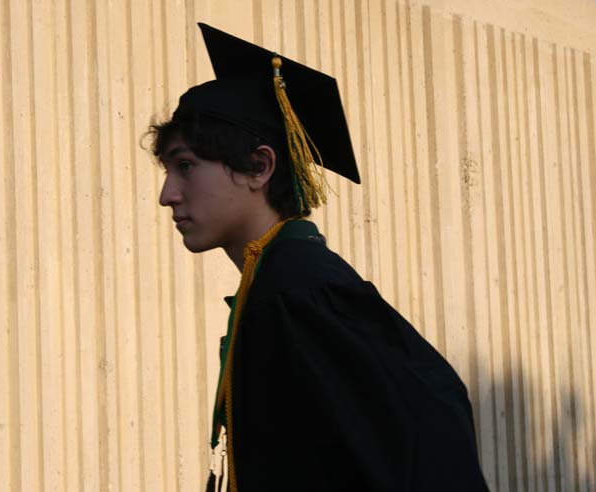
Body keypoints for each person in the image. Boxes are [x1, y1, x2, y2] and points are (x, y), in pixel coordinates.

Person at [150, 23, 489, 492]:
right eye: (168, 170)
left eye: (185, 166)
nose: (168, 194)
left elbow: (430, 423)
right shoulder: (275, 281)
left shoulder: (301, 289)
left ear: (259, 167)